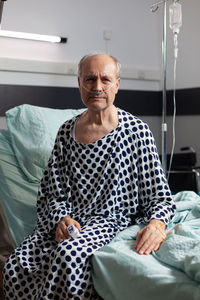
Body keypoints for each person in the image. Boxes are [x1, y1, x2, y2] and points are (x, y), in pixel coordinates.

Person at [3, 53, 176, 300]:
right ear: (79, 83)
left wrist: (157, 224)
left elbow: (160, 197)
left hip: (111, 222)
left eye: (105, 80)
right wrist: (60, 218)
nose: (97, 87)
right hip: (70, 224)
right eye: (89, 79)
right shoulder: (66, 132)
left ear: (117, 84)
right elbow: (52, 192)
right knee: (16, 264)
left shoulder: (137, 131)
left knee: (69, 256)